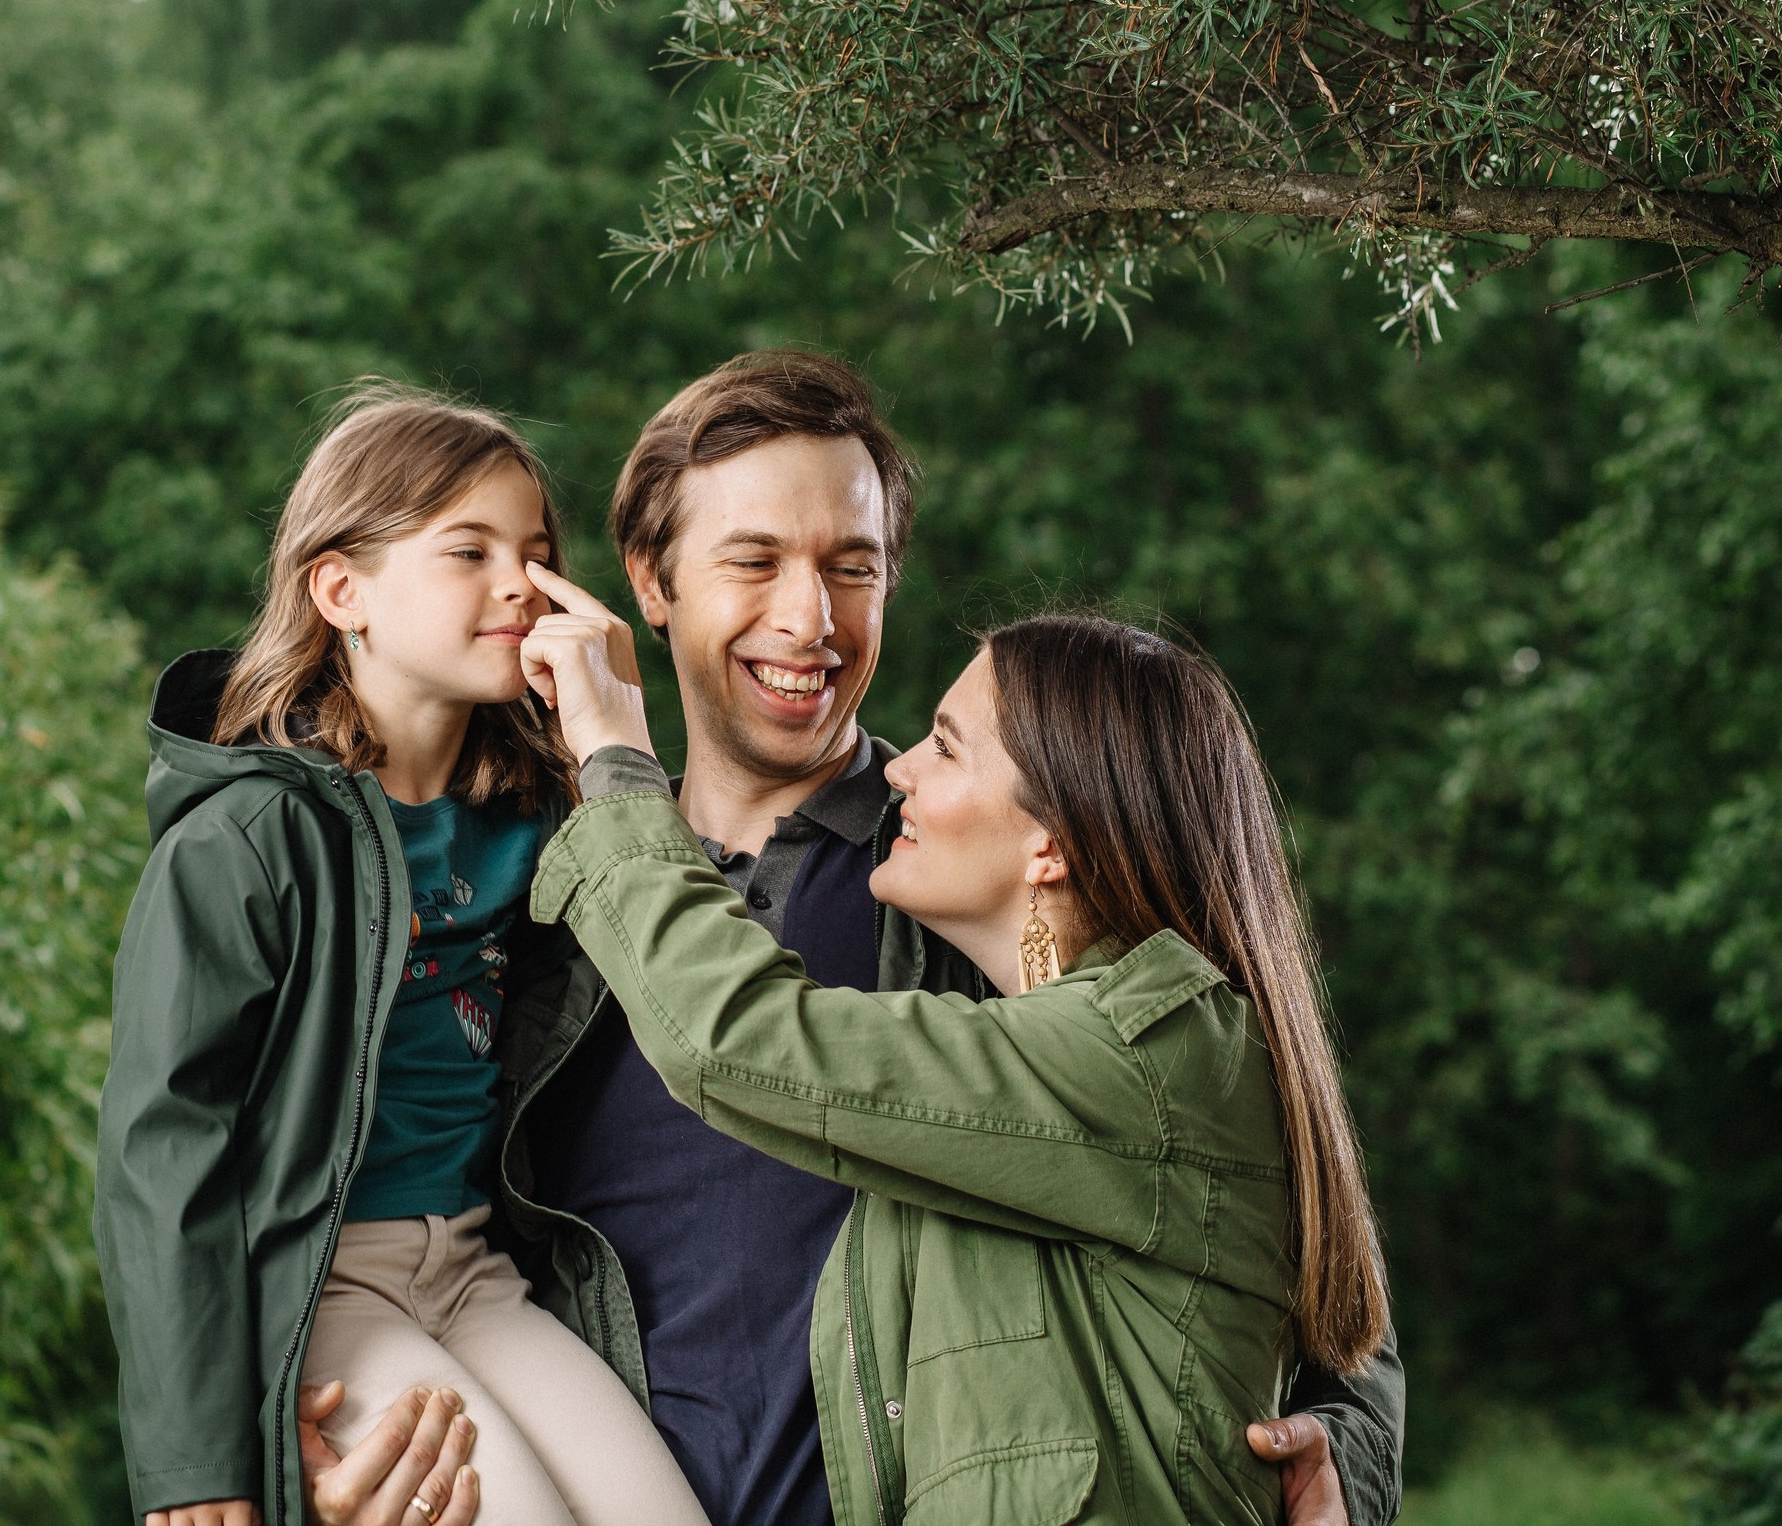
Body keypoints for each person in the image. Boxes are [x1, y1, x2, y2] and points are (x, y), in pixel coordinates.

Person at [513, 579, 1393, 1524]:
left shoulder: (1149, 1051)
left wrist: (612, 756)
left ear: (1049, 845)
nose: (901, 771)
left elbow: (736, 1036)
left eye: (945, 746)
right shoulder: (1064, 1048)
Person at [93, 389, 709, 1526]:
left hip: (477, 1271)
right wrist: (192, 1462)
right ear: (342, 591)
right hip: (324, 1280)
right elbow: (159, 1151)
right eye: (466, 550)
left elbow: (687, 974)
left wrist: (615, 733)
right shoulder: (245, 839)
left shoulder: (542, 813)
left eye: (533, 552)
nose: (519, 582)